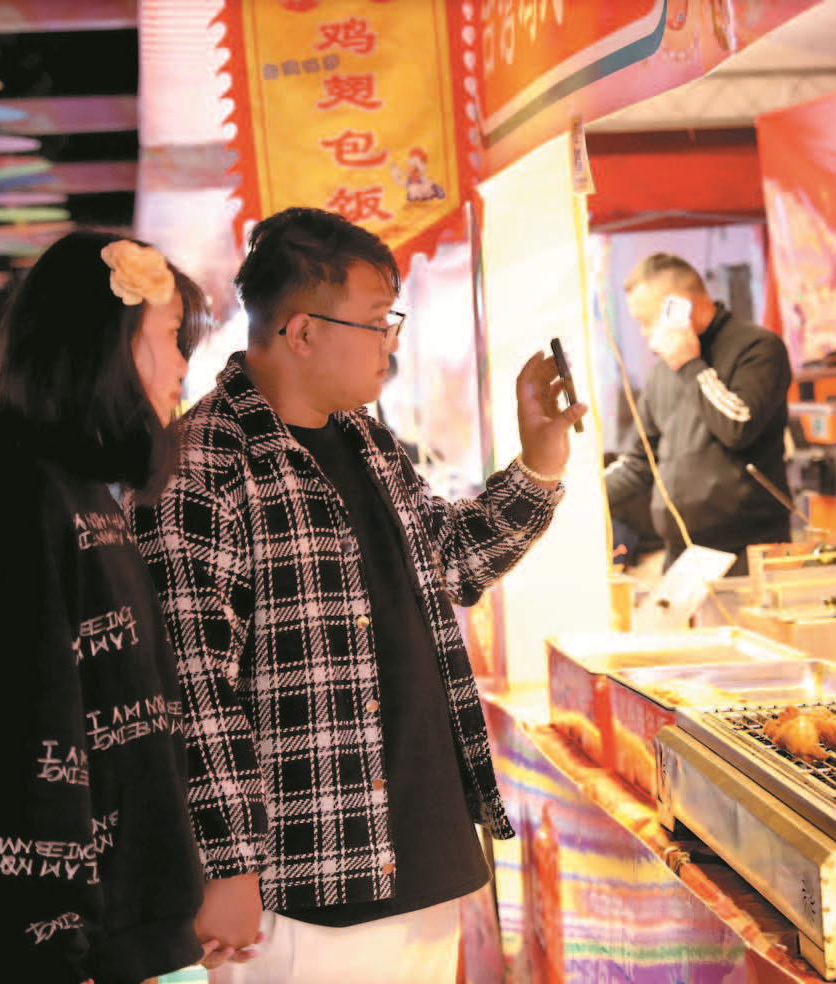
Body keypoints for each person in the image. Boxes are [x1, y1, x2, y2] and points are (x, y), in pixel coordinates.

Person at [129, 206, 585, 982]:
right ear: (303, 332)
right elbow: (195, 685)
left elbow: (451, 561)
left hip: (421, 851)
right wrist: (228, 863)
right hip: (306, 883)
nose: (391, 342)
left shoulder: (366, 439)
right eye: (377, 321)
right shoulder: (200, 465)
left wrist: (540, 459)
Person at [0, 231, 210, 982]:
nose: (181, 364)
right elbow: (17, 752)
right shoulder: (22, 499)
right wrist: (49, 954)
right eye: (169, 336)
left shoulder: (67, 489)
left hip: (108, 938)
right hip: (63, 954)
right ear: (106, 344)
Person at [603, 253, 793, 577]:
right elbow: (639, 463)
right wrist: (574, 498)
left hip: (747, 551)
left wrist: (691, 366)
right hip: (681, 553)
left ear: (680, 308)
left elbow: (738, 425)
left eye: (648, 321)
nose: (645, 334)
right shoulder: (663, 372)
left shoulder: (758, 348)